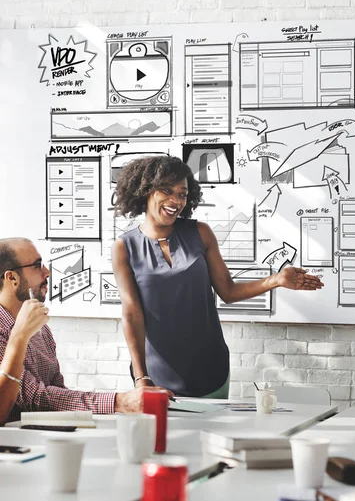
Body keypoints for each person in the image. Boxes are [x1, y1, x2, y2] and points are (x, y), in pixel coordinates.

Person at [112, 156, 324, 398]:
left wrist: (276, 279)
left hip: (210, 368)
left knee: (214, 434)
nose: (176, 200)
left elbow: (228, 291)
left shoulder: (200, 233)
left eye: (182, 194)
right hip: (156, 373)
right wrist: (141, 378)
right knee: (162, 436)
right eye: (166, 190)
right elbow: (132, 315)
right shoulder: (124, 247)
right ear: (145, 191)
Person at [0, 238, 150, 424]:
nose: (47, 272)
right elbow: (36, 398)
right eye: (37, 265)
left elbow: (56, 396)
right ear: (12, 278)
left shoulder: (41, 330)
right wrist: (119, 402)